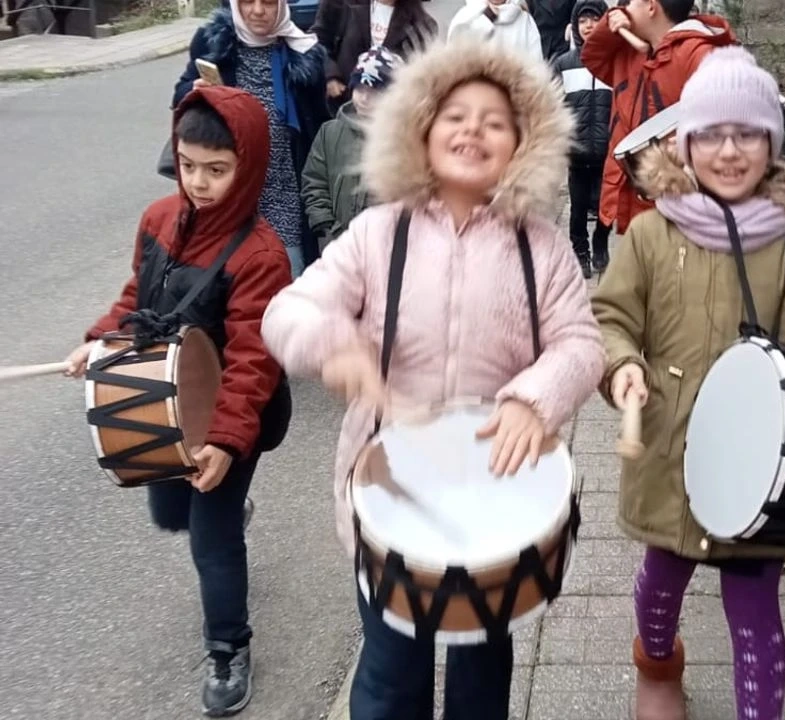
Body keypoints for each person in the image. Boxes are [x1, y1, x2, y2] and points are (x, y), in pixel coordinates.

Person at [260, 36, 605, 720]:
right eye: (455, 115)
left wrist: (536, 400)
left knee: (482, 677)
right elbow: (289, 310)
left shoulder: (541, 248)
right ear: (420, 128)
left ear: (524, 143)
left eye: (495, 122)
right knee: (390, 676)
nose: (473, 130)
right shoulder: (377, 233)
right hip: (391, 491)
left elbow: (581, 344)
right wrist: (335, 345)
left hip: (498, 494)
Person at [590, 47, 785, 720]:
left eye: (747, 135)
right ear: (685, 144)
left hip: (764, 467)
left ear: (771, 144)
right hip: (671, 453)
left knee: (756, 608)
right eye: (711, 135)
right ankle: (657, 665)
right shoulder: (651, 235)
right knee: (660, 584)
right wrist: (623, 366)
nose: (729, 152)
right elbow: (611, 317)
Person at [65, 86, 293, 718]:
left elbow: (254, 360)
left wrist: (224, 441)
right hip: (166, 401)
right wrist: (99, 340)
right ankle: (231, 514)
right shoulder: (158, 219)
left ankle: (228, 648)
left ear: (247, 166)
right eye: (188, 165)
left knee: (210, 541)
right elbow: (137, 296)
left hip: (233, 413)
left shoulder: (262, 255)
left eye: (217, 170)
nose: (198, 182)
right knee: (170, 514)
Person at [172, 0, 329, 278]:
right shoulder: (212, 42)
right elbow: (181, 94)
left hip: (283, 194)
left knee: (285, 276)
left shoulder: (304, 53)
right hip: (227, 190)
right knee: (226, 277)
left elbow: (318, 128)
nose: (257, 11)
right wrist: (194, 91)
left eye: (268, 2)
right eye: (247, 1)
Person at [579, 0, 735, 235]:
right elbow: (592, 56)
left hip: (681, 204)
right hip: (637, 197)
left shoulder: (698, 53)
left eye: (630, 2)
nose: (625, 8)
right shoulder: (630, 52)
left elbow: (727, 121)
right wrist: (614, 20)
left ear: (651, 6)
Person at [301, 46, 401, 251]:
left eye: (374, 92)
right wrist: (325, 228)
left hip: (384, 245)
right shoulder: (330, 132)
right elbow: (314, 182)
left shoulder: (402, 140)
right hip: (336, 242)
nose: (364, 98)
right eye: (360, 89)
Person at [552, 0, 612, 277]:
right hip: (576, 151)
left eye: (595, 19)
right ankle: (580, 252)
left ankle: (600, 244)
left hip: (606, 151)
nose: (589, 26)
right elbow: (552, 107)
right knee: (577, 209)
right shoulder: (563, 64)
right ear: (575, 26)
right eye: (583, 21)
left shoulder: (614, 62)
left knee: (604, 206)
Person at [310, 0, 437, 114]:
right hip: (342, 105)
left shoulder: (422, 25)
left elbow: (419, 75)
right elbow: (317, 41)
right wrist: (331, 76)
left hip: (387, 115)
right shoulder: (339, 4)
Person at [448, 0, 544, 61]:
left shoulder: (524, 20)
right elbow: (456, 58)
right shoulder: (466, 16)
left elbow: (536, 66)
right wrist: (487, 18)